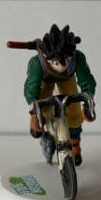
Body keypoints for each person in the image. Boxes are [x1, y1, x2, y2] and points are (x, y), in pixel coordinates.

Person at [23, 24, 96, 165]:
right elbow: (31, 88)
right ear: (46, 56)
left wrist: (88, 102)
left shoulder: (78, 58)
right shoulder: (37, 64)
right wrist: (34, 112)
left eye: (67, 60)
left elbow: (86, 81)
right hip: (45, 80)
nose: (61, 66)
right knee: (42, 108)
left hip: (67, 79)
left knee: (74, 111)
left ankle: (74, 143)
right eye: (55, 62)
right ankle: (40, 122)